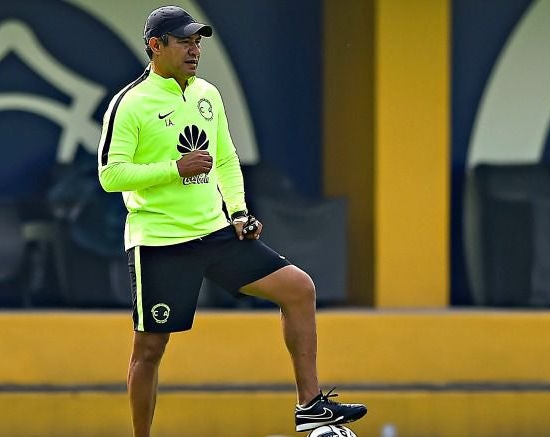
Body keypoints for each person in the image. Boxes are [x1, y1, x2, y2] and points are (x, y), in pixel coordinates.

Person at [97, 6, 367, 436]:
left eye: (198, 40)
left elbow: (225, 159)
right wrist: (175, 168)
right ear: (155, 46)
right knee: (149, 350)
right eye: (184, 41)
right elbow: (110, 175)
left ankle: (310, 407)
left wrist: (238, 212)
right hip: (160, 243)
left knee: (298, 289)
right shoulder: (131, 103)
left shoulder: (208, 94)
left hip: (216, 233)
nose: (194, 49)